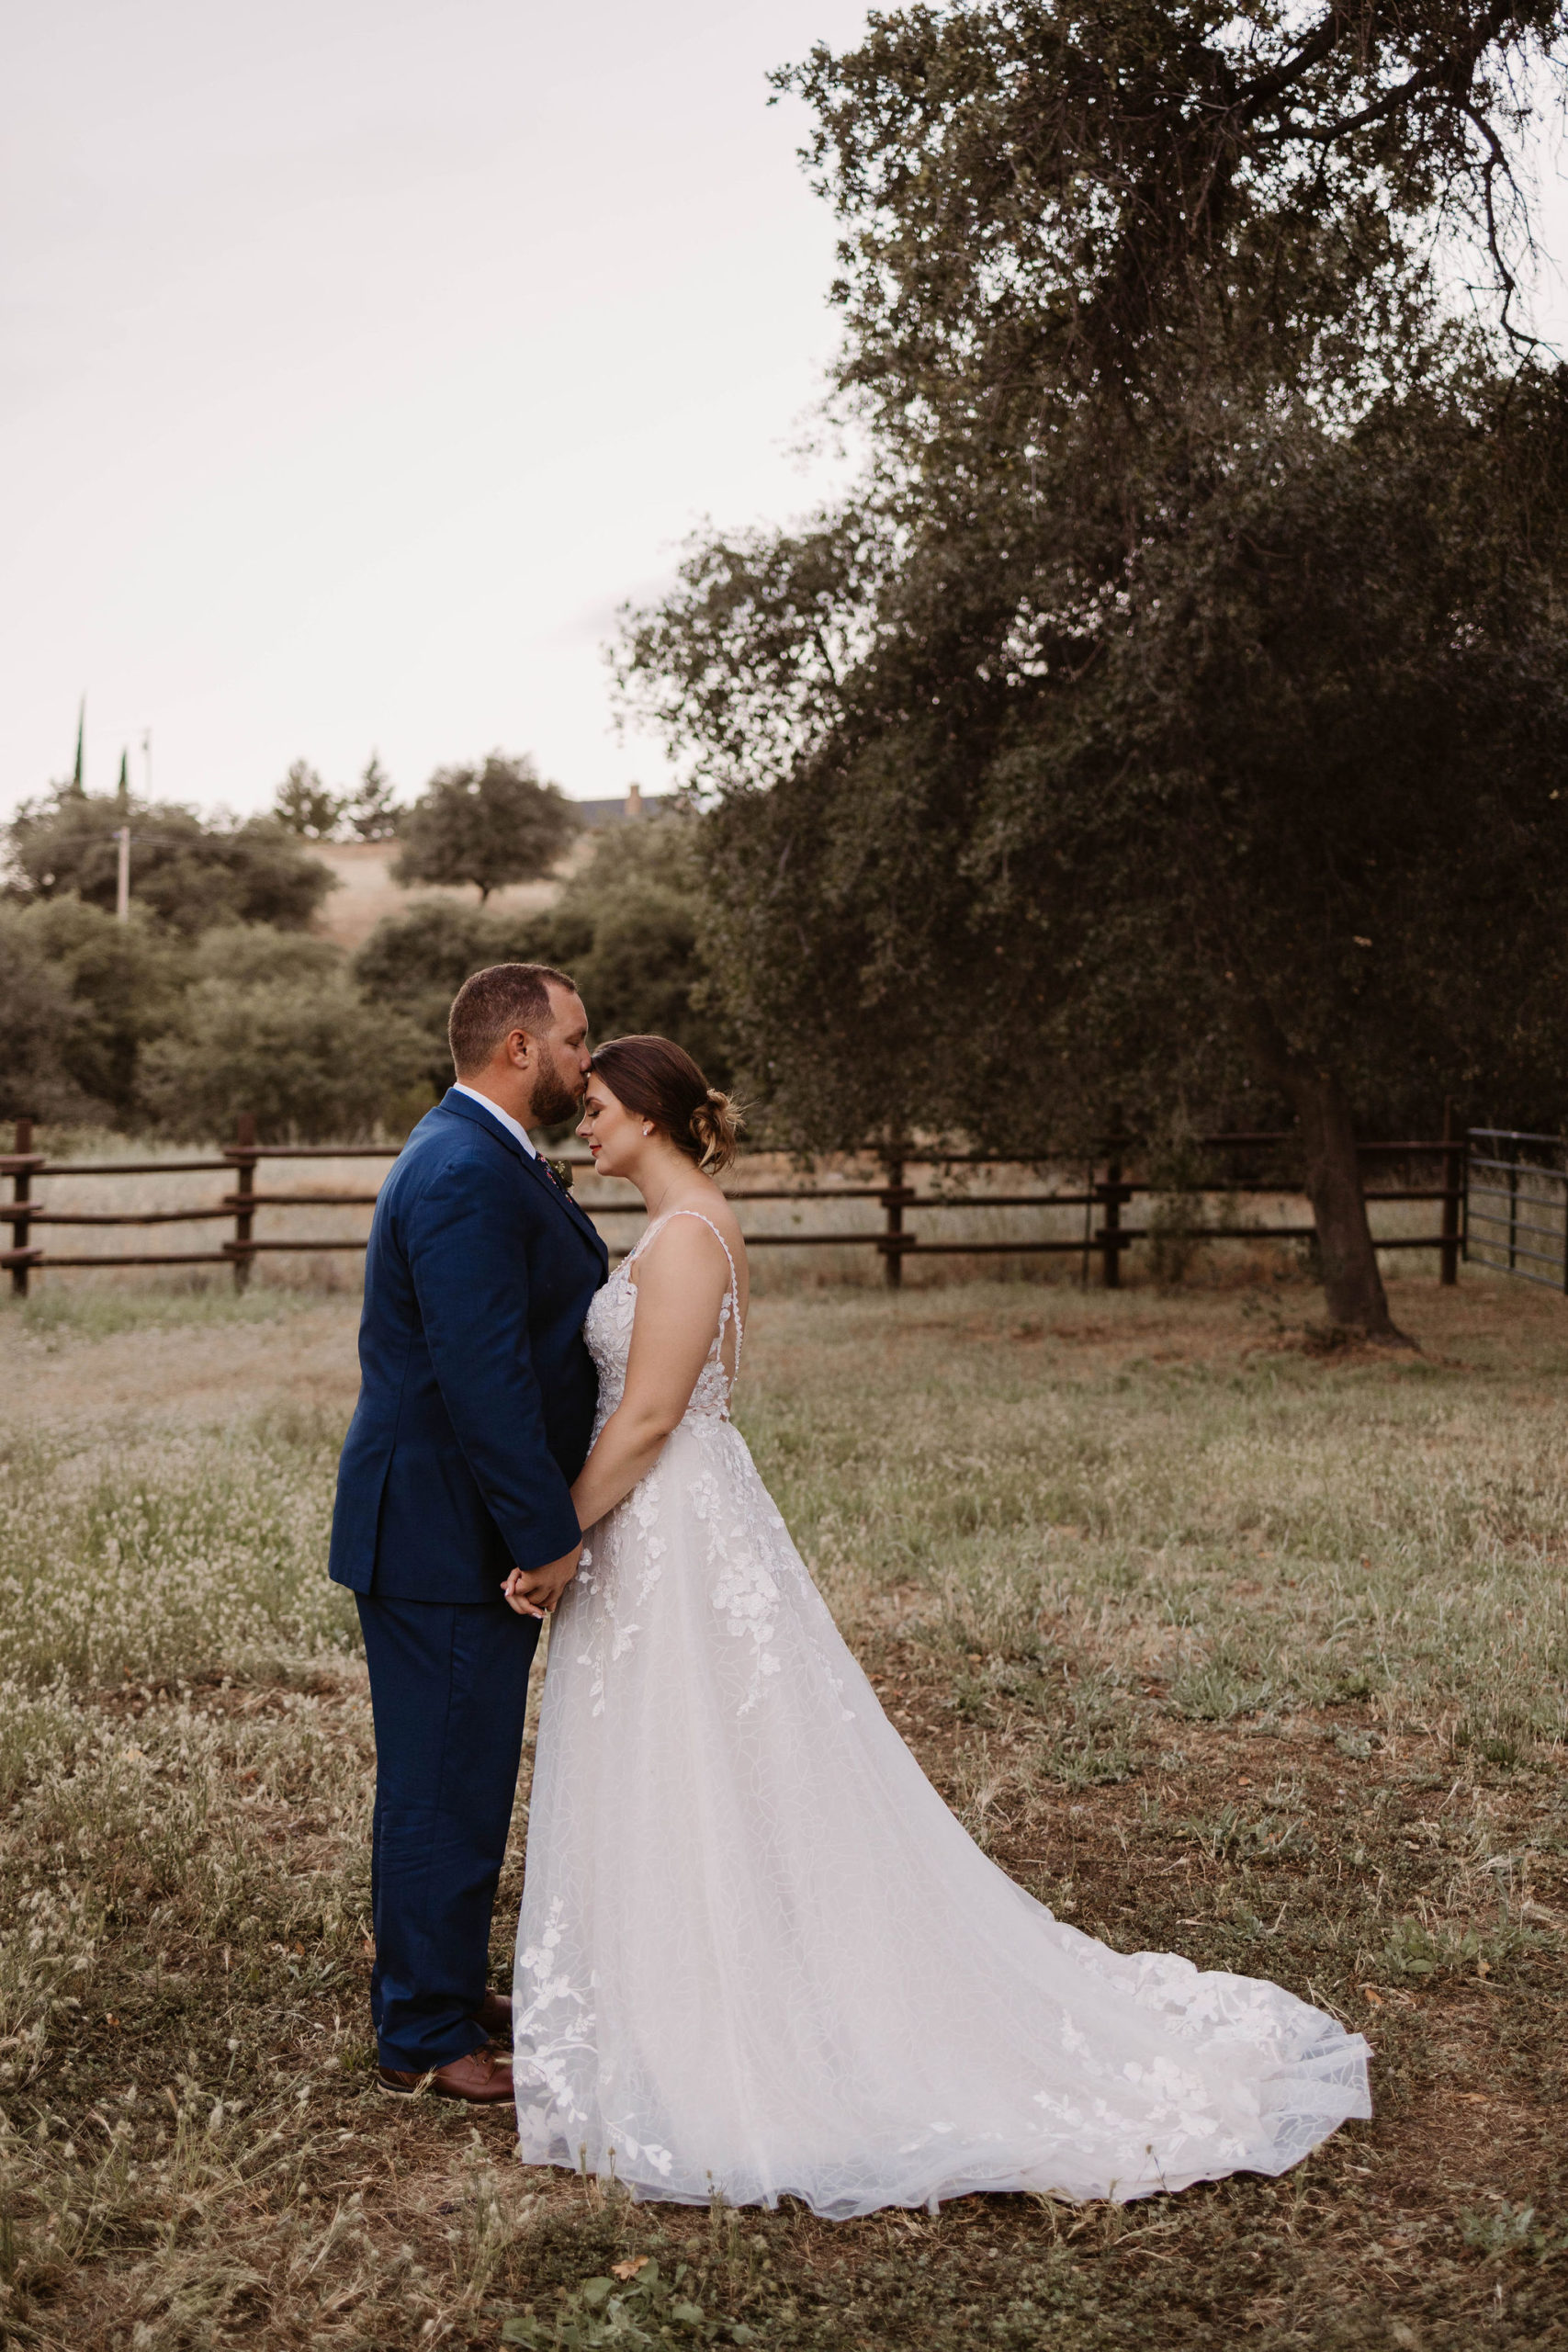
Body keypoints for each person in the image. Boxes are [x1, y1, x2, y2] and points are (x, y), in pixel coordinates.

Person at [510, 1034, 1372, 2217]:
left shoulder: (690, 1232)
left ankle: (749, 2016)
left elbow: (656, 1410)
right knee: (683, 1759)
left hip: (676, 1519)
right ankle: (679, 1991)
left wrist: (555, 1536)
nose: (585, 1125)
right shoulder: (672, 1230)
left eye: (598, 1107)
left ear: (651, 1117)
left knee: (713, 1751)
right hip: (662, 1524)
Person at [329, 963, 607, 2104]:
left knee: (459, 1770)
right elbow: (480, 1377)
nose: (589, 1060)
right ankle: (423, 2032)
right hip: (446, 1533)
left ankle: (439, 1976)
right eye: (577, 1041)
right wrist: (547, 1532)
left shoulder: (480, 1152)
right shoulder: (458, 1169)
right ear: (519, 1047)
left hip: (451, 1524)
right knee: (445, 1779)